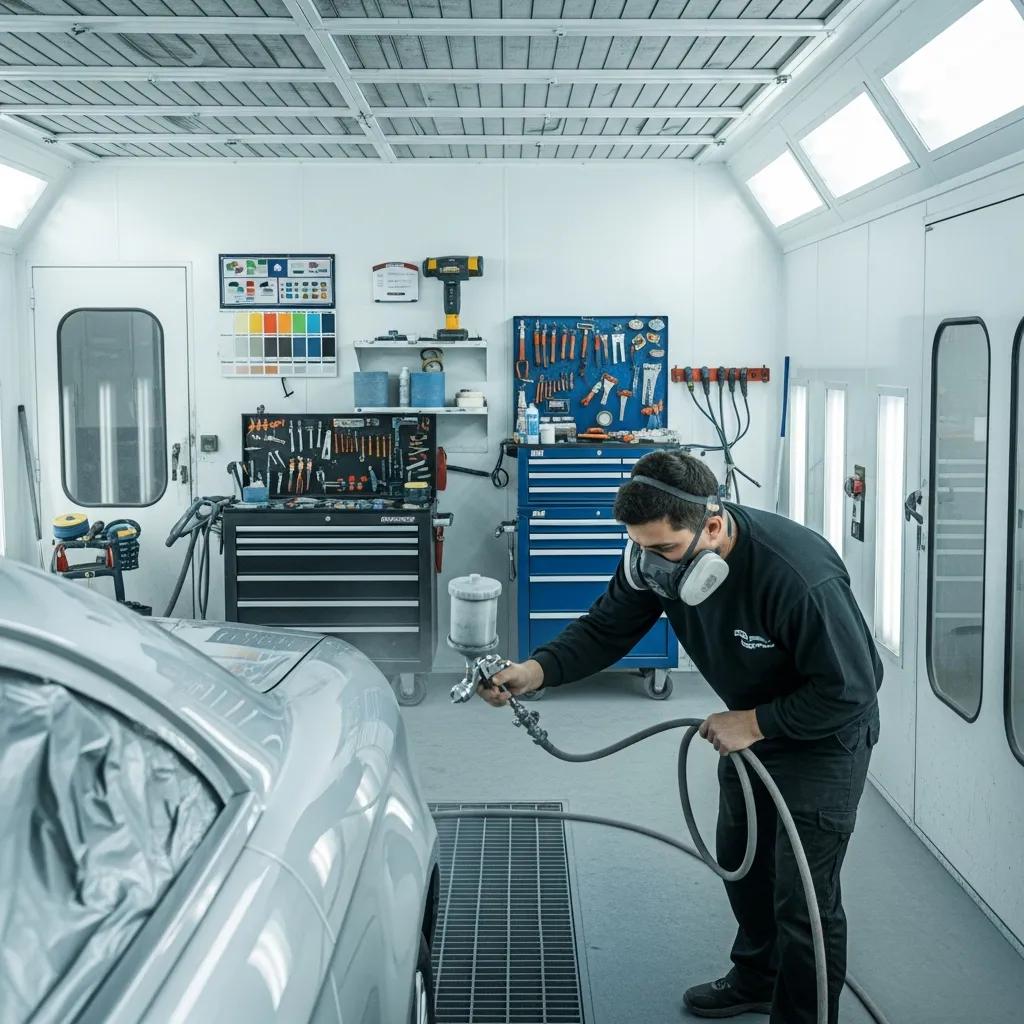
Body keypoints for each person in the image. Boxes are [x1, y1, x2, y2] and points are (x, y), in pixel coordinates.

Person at [479, 449, 881, 1023]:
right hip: (749, 731)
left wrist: (755, 722)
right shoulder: (655, 560)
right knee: (741, 863)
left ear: (712, 527)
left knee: (804, 900)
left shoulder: (797, 576)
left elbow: (852, 690)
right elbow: (606, 628)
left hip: (824, 739)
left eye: (665, 549)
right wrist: (535, 670)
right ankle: (757, 978)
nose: (653, 564)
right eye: (641, 547)